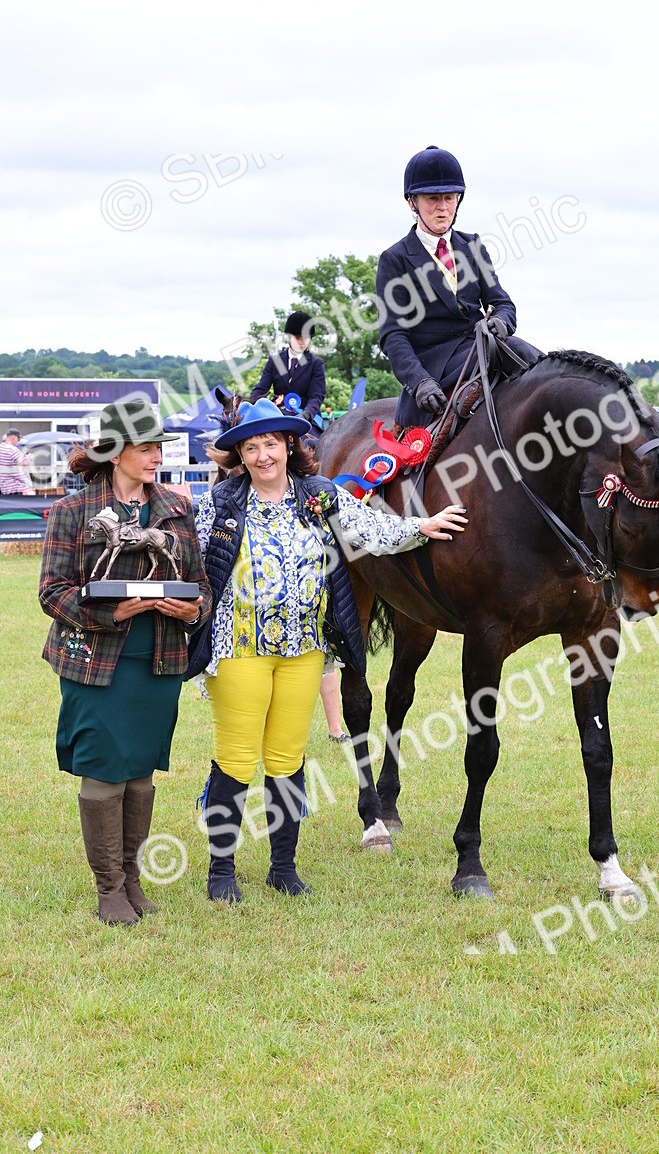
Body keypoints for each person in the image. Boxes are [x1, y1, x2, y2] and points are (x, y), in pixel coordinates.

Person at [186, 397, 467, 903]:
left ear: (288, 445)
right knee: (236, 757)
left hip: (303, 650)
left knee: (287, 757)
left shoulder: (318, 495)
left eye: (271, 443)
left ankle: (282, 867)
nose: (263, 455)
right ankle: (221, 870)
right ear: (241, 455)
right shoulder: (221, 505)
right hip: (239, 648)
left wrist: (420, 527)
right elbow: (189, 553)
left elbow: (371, 529)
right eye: (251, 447)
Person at [39, 400, 212, 927]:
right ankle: (108, 887)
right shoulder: (74, 511)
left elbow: (201, 584)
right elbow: (51, 592)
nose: (156, 457)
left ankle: (133, 879)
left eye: (159, 447)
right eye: (146, 448)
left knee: (140, 771)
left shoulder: (178, 509)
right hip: (95, 662)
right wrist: (112, 613)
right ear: (116, 453)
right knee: (104, 769)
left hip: (158, 662)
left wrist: (192, 607)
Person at [376, 145, 543, 431]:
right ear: (411, 203)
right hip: (435, 367)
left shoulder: (473, 246)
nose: (443, 207)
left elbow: (503, 304)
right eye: (433, 199)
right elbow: (393, 336)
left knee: (541, 368)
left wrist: (500, 323)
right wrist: (420, 382)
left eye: (449, 198)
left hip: (483, 348)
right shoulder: (395, 259)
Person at [249, 310, 327, 434]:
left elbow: (316, 396)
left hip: (306, 416)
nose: (302, 342)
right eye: (298, 338)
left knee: (315, 445)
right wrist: (247, 405)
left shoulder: (316, 364)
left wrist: (306, 414)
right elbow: (261, 389)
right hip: (277, 413)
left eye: (306, 338)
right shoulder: (275, 361)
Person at [0, 428, 33, 495]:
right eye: (18, 439)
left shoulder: (1, 447)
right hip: (16, 487)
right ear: (13, 438)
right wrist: (28, 457)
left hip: (5, 486)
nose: (18, 441)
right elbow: (24, 463)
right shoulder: (13, 449)